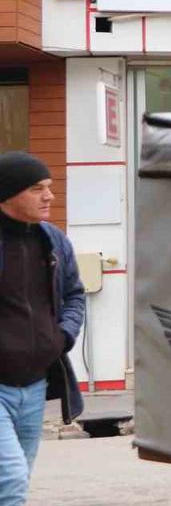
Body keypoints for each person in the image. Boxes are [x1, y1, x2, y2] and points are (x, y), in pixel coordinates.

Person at [0, 152, 85, 505]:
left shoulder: (54, 241)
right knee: (11, 479)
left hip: (35, 385)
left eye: (49, 187)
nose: (49, 196)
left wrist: (63, 336)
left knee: (16, 479)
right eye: (37, 189)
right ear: (7, 194)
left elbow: (75, 294)